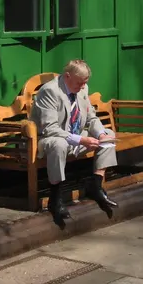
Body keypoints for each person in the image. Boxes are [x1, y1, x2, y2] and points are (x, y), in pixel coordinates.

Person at [31, 59, 117, 222]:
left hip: (76, 136)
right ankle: (55, 198)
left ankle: (96, 186)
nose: (83, 87)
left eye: (85, 83)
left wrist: (100, 135)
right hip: (48, 139)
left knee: (109, 134)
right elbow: (50, 128)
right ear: (67, 76)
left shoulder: (82, 90)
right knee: (59, 143)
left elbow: (91, 118)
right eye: (79, 83)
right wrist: (81, 139)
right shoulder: (50, 91)